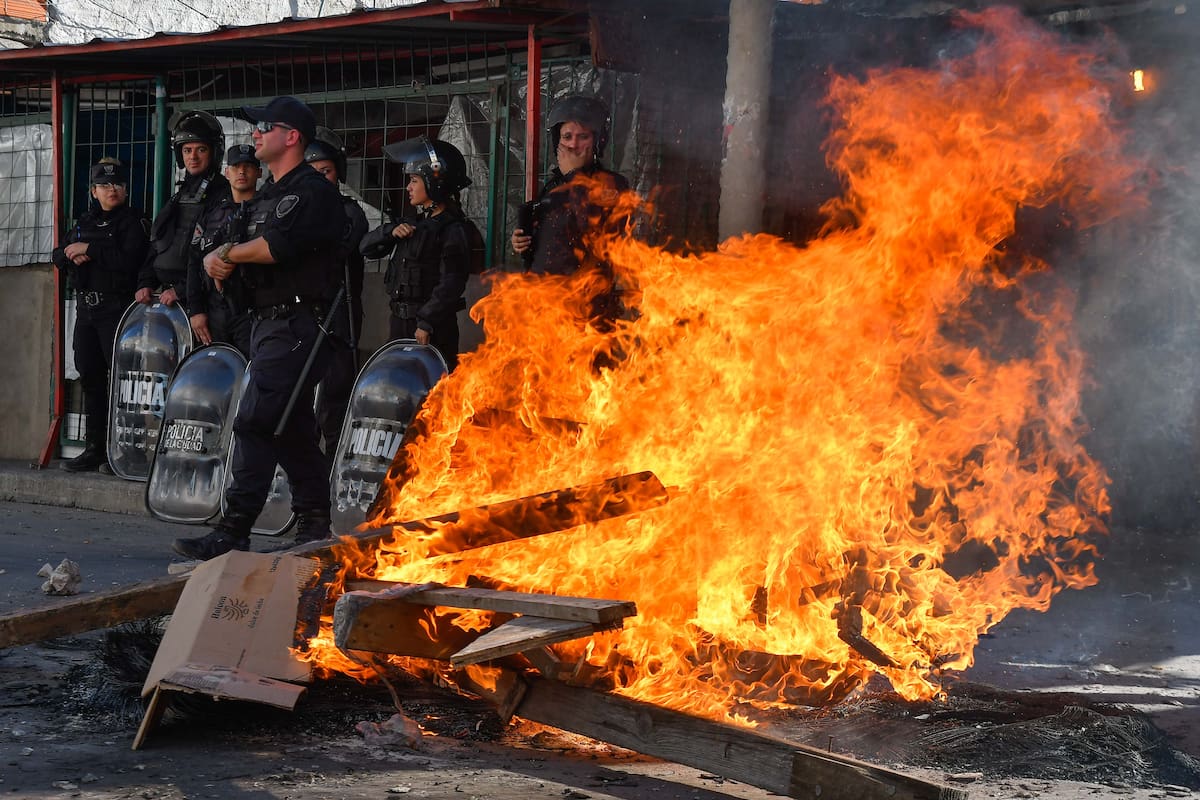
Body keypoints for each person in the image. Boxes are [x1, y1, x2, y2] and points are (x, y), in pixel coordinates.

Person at [172, 96, 348, 560]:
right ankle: (314, 524)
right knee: (288, 425)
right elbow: (236, 246)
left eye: (265, 127)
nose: (255, 134)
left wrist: (227, 255)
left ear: (291, 136)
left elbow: (275, 246)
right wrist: (222, 260)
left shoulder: (311, 191)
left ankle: (233, 530)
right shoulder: (267, 194)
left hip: (299, 323)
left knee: (254, 421)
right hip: (266, 322)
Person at [52, 158, 150, 472]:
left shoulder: (132, 222)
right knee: (91, 377)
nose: (113, 190)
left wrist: (90, 251)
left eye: (118, 184)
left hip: (116, 309)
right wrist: (71, 255)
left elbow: (129, 259)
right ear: (94, 190)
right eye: (105, 185)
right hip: (87, 310)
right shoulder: (85, 221)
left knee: (122, 381)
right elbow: (58, 254)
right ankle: (95, 448)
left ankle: (123, 452)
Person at [359, 135, 482, 371]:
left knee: (431, 393)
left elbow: (451, 283)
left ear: (434, 181)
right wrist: (389, 232)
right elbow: (365, 248)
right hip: (400, 322)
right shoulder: (412, 225)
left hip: (431, 328)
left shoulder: (454, 230)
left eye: (414, 180)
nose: (408, 187)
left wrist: (426, 322)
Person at [510, 95, 630, 323]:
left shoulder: (612, 184)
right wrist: (523, 241)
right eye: (567, 137)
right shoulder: (553, 186)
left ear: (597, 140)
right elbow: (554, 237)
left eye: (582, 137)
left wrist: (574, 176)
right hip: (546, 302)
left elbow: (594, 231)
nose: (573, 145)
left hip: (588, 308)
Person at [304, 126, 368, 454]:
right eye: (312, 172)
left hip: (338, 316)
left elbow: (336, 250)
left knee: (334, 394)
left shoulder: (350, 212)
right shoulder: (296, 212)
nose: (319, 178)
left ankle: (332, 464)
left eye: (325, 171)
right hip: (303, 315)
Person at [136, 110, 229, 309]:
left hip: (203, 302)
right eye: (187, 150)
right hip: (167, 300)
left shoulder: (222, 194)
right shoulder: (179, 196)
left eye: (201, 149)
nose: (193, 157)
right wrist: (146, 283)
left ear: (214, 152)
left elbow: (213, 254)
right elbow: (158, 243)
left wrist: (181, 290)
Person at [185, 143, 261, 356]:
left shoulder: (268, 211)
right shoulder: (212, 213)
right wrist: (196, 310)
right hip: (215, 310)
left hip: (252, 311)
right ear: (227, 173)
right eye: (236, 167)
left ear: (259, 172)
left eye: (248, 166)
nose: (242, 172)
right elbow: (193, 260)